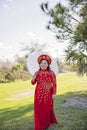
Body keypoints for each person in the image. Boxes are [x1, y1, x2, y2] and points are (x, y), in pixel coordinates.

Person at [31, 54, 58, 130]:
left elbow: (55, 83)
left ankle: (47, 123)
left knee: (47, 108)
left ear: (48, 64)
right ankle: (40, 124)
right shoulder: (36, 73)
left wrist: (54, 93)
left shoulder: (51, 73)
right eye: (42, 63)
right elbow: (33, 83)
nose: (43, 64)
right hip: (38, 93)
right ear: (39, 64)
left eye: (45, 63)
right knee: (39, 108)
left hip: (49, 93)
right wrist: (33, 78)